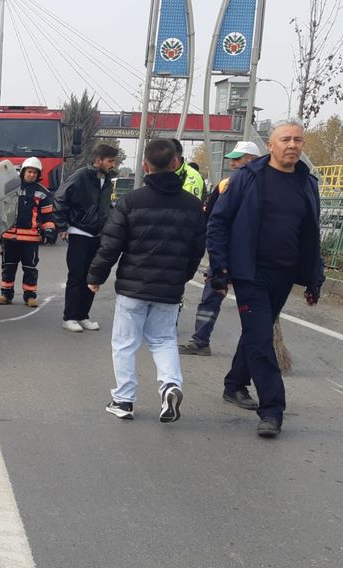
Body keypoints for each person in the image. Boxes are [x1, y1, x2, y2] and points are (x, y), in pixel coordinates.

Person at [206, 120, 325, 438]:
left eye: (298, 140)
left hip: (284, 275)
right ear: (270, 145)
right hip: (249, 273)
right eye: (285, 139)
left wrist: (315, 277)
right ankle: (272, 410)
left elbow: (311, 233)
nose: (292, 145)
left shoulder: (307, 183)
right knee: (261, 339)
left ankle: (234, 385)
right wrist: (219, 268)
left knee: (255, 333)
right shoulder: (247, 178)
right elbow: (218, 222)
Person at [86, 138, 206, 423]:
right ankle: (169, 386)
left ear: (145, 166)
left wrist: (96, 275)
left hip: (132, 287)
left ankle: (123, 400)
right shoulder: (192, 206)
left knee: (125, 343)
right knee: (163, 339)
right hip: (170, 289)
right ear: (177, 164)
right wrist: (182, 278)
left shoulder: (132, 200)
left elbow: (111, 244)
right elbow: (196, 249)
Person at [178, 141, 260, 359]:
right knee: (211, 298)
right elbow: (212, 218)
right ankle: (200, 340)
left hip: (250, 256)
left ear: (251, 160)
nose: (232, 163)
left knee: (254, 307)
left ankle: (259, 349)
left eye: (237, 158)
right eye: (232, 159)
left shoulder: (262, 184)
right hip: (227, 252)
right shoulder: (226, 184)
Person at [54, 143, 118, 332]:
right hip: (80, 232)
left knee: (92, 276)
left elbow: (105, 206)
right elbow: (60, 198)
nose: (113, 165)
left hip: (98, 234)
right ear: (98, 160)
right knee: (76, 275)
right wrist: (62, 225)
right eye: (110, 161)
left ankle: (83, 315)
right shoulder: (81, 176)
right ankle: (70, 317)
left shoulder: (106, 180)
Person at [0, 157, 56, 307]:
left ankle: (30, 296)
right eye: (29, 172)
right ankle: (6, 294)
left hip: (30, 239)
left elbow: (48, 215)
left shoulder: (43, 193)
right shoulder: (10, 188)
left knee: (30, 268)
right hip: (9, 236)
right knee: (8, 266)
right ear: (23, 172)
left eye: (35, 173)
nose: (32, 175)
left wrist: (49, 230)